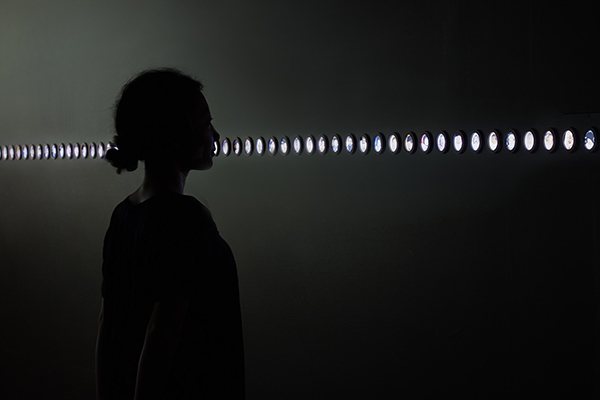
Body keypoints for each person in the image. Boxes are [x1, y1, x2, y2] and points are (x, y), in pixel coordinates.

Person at [96, 68, 245, 399]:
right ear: (178, 133)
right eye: (206, 123)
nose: (216, 134)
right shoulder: (186, 219)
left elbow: (107, 325)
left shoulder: (122, 216)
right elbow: (163, 332)